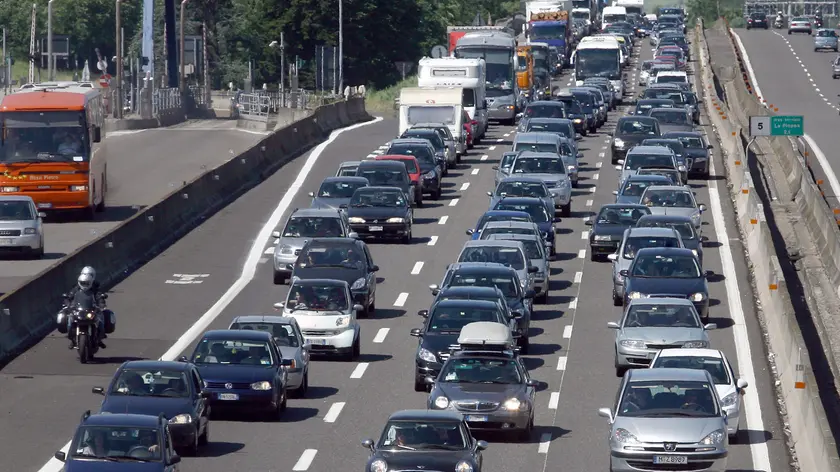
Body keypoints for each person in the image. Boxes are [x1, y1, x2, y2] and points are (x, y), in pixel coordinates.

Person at [65, 266, 108, 349]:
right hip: (78, 310)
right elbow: (69, 296)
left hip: (91, 309)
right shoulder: (76, 288)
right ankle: (72, 339)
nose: (85, 284)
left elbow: (99, 297)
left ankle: (99, 339)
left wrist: (101, 305)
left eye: (87, 283)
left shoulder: (95, 288)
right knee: (70, 320)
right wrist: (68, 304)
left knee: (100, 320)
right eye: (83, 283)